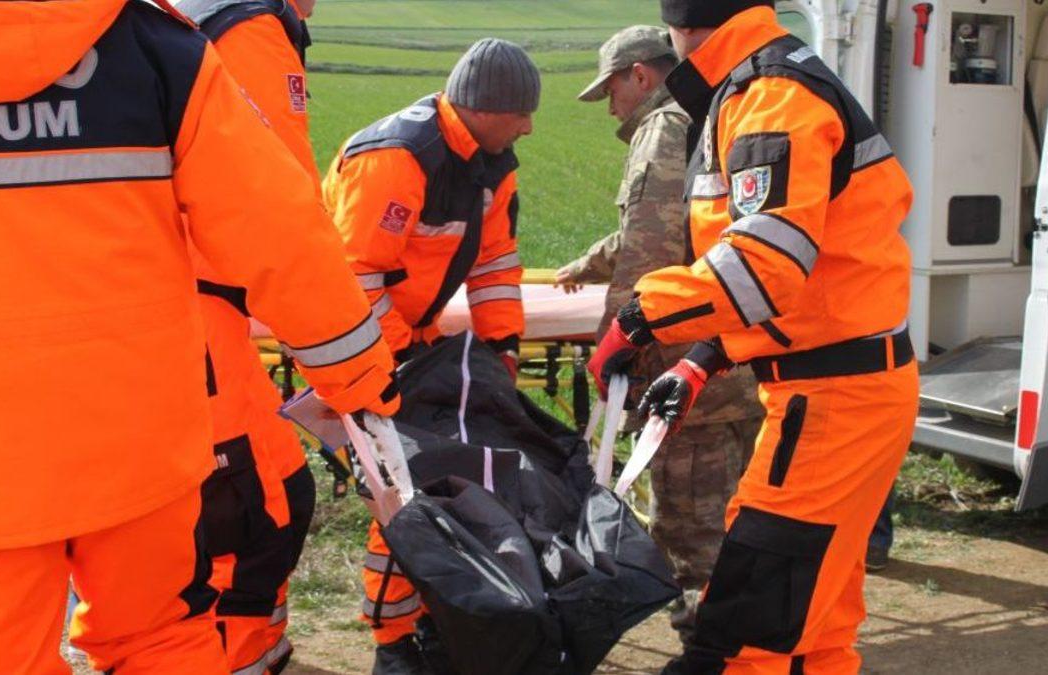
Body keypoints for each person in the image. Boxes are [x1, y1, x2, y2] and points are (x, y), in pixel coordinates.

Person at [0, 1, 400, 673]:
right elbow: (280, 233)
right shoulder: (160, 50)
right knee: (160, 640)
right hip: (142, 445)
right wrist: (361, 381)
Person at [589, 1, 918, 672]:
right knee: (813, 631)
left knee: (739, 639)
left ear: (680, 23)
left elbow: (765, 267)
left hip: (831, 403)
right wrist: (702, 360)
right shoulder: (757, 82)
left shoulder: (769, 95)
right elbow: (809, 271)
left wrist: (638, 318)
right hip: (839, 389)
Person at [321, 38, 538, 674]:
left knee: (436, 484)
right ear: (483, 108)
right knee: (398, 492)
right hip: (351, 344)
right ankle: (394, 643)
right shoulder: (397, 158)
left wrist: (501, 346)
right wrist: (403, 360)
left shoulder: (492, 165)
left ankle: (432, 621)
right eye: (521, 114)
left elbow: (495, 262)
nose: (528, 127)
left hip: (406, 341)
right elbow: (352, 282)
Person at [558, 25, 763, 641]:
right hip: (740, 357)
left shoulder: (663, 127)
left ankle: (712, 648)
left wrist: (619, 348)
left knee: (691, 529)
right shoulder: (720, 111)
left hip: (686, 372)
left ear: (640, 75)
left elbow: (649, 251)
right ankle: (758, 637)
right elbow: (684, 228)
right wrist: (588, 263)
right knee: (748, 515)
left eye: (611, 91)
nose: (611, 107)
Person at [173, 0, 321, 671]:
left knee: (256, 499)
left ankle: (249, 648)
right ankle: (230, 656)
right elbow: (282, 213)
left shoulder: (194, 19)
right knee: (253, 510)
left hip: (192, 310)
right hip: (198, 315)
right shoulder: (248, 28)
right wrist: (335, 352)